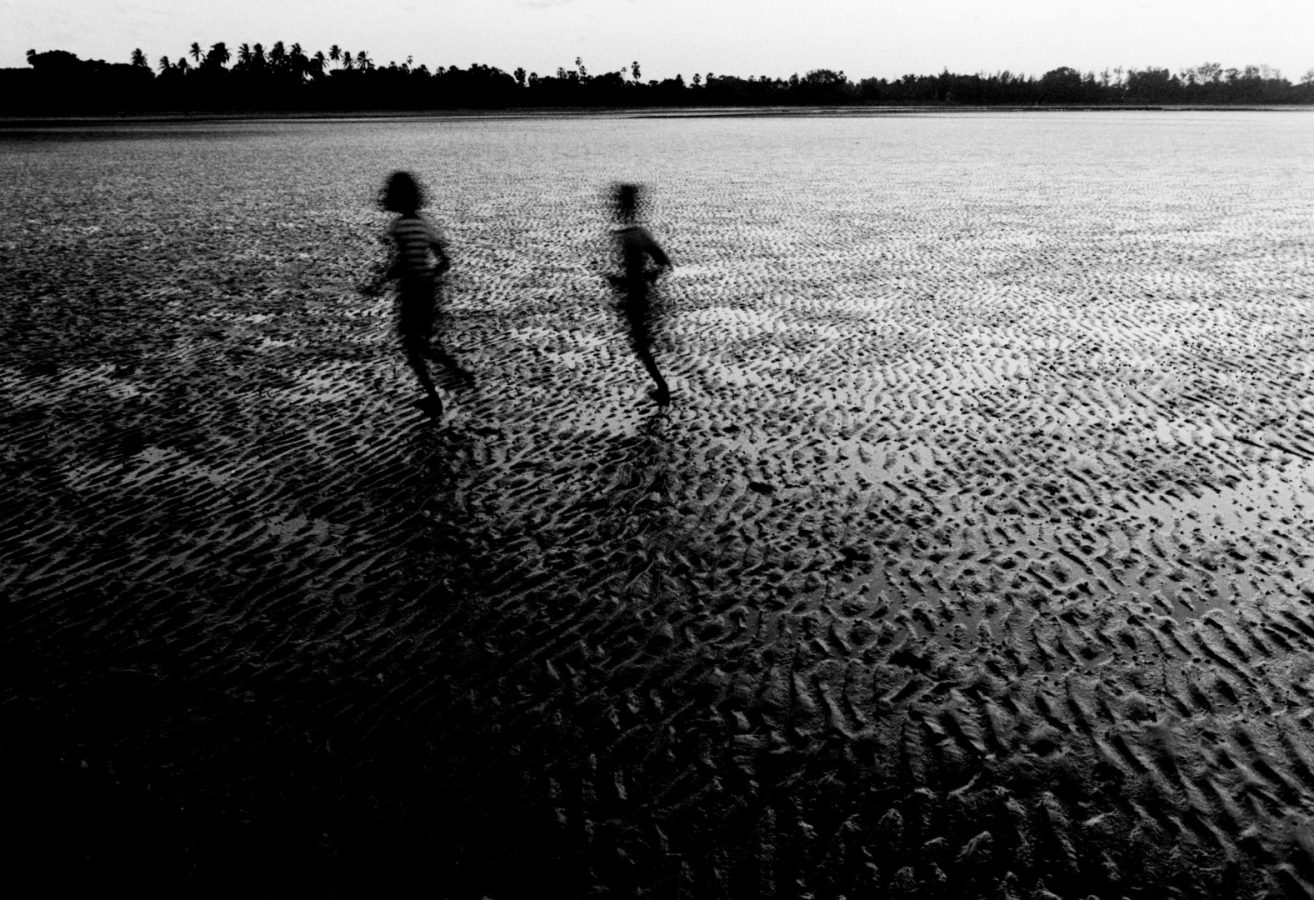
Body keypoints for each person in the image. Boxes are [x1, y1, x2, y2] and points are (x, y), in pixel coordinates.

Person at [372, 170, 473, 418]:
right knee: (421, 345)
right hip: (427, 292)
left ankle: (437, 394)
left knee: (412, 347)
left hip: (410, 293)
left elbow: (398, 263)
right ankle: (454, 374)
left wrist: (377, 284)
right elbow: (444, 262)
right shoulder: (425, 225)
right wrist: (429, 279)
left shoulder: (399, 227)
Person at [610, 183, 673, 406]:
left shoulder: (632, 236)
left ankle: (663, 389)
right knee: (642, 346)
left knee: (642, 347)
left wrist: (640, 279)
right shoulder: (634, 234)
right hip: (638, 296)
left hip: (637, 298)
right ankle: (662, 387)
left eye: (618, 203)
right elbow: (662, 262)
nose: (615, 207)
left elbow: (663, 262)